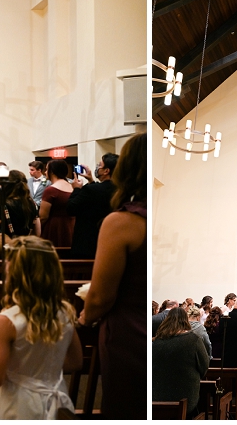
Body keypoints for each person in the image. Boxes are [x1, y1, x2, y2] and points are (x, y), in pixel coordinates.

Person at [78, 132, 146, 420]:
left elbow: (101, 296)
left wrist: (83, 320)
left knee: (125, 408)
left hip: (128, 335)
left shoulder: (122, 222)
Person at [0, 236, 82, 419]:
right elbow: (76, 361)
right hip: (56, 394)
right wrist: (45, 370)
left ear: (14, 273)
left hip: (16, 402)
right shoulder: (65, 313)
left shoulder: (7, 320)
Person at [152, 307, 209, 419]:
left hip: (158, 398)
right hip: (186, 398)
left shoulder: (158, 340)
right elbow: (204, 368)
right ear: (185, 320)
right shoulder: (193, 339)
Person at [0, 171, 40, 259]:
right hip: (26, 249)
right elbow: (38, 232)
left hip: (8, 251)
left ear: (6, 186)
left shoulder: (4, 205)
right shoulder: (33, 205)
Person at [66, 153, 118, 259]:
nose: (97, 168)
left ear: (106, 171)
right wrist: (91, 181)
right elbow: (100, 195)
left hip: (87, 241)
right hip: (111, 240)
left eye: (99, 165)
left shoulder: (91, 189)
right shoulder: (120, 189)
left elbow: (71, 208)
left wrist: (76, 189)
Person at [39, 160, 74, 248]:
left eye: (47, 169)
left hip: (54, 227)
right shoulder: (72, 187)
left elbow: (43, 216)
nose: (45, 172)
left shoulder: (51, 190)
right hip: (71, 225)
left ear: (52, 172)